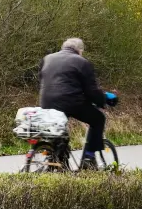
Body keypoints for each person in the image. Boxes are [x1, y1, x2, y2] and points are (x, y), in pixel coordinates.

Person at [38, 37, 114, 168]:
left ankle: (57, 158)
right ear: (80, 50)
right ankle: (88, 158)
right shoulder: (82, 62)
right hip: (71, 102)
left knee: (59, 128)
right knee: (98, 119)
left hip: (46, 101)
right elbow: (91, 91)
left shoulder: (47, 58)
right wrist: (102, 101)